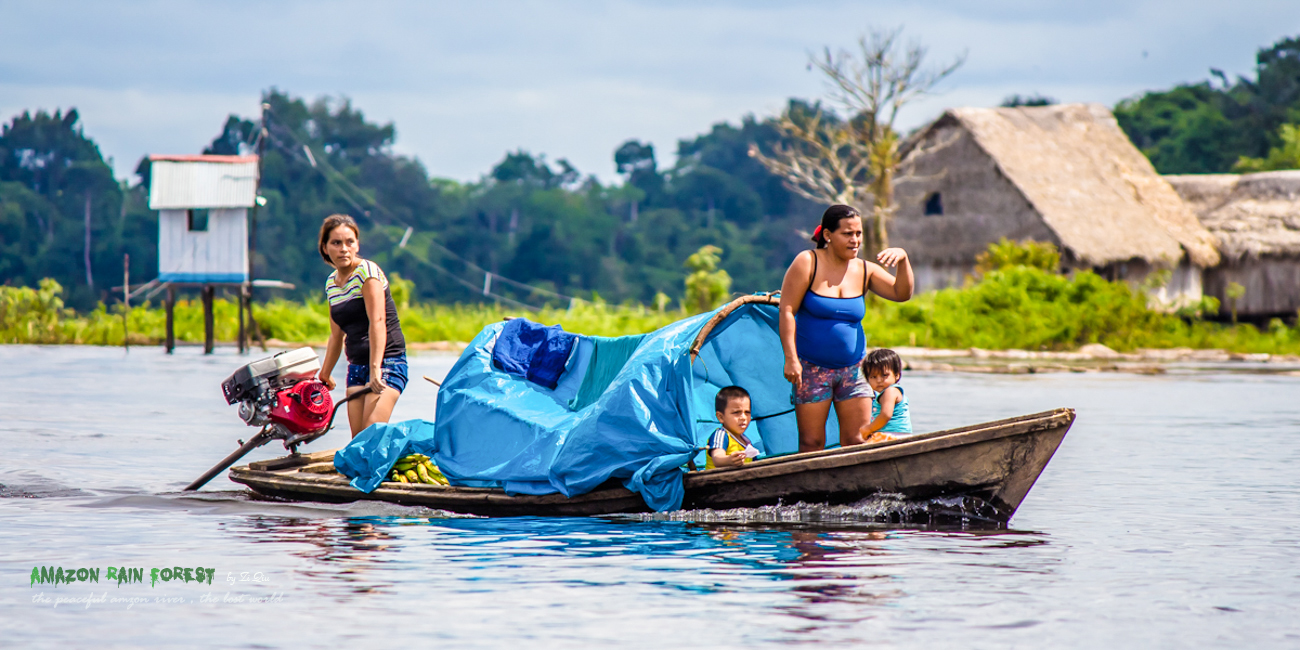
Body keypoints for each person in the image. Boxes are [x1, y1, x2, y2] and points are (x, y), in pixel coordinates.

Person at [778, 204, 914, 453]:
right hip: (811, 368)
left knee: (857, 441)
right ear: (828, 235)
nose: (855, 240)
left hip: (854, 370)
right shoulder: (807, 262)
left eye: (859, 234)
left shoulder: (865, 269)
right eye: (848, 234)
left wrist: (903, 259)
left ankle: (856, 492)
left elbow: (901, 293)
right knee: (812, 443)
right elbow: (787, 310)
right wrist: (791, 359)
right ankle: (811, 492)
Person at [316, 214, 409, 437]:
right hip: (357, 365)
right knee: (358, 441)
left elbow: (377, 322)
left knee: (370, 435)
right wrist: (325, 374)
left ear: (357, 245)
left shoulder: (367, 272)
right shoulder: (331, 283)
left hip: (387, 361)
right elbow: (336, 335)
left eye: (350, 242)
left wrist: (376, 370)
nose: (344, 249)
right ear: (325, 247)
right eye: (336, 243)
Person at [859, 348, 912, 444]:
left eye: (884, 375)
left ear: (897, 375)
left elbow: (886, 415)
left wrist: (869, 428)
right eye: (873, 377)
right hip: (893, 436)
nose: (879, 380)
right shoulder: (886, 393)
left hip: (892, 436)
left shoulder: (890, 391)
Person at [706, 386, 758, 469]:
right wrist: (729, 460)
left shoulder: (746, 441)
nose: (743, 417)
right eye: (736, 412)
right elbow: (717, 458)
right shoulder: (721, 435)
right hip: (717, 481)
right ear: (721, 417)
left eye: (747, 412)